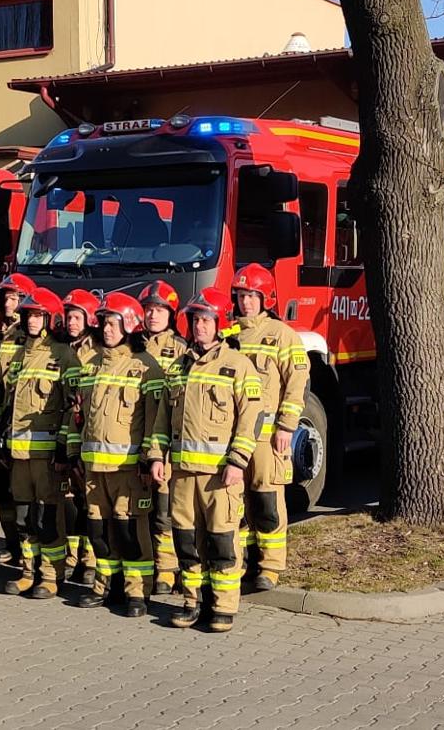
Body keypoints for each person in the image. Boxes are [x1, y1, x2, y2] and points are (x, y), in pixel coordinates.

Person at [154, 288, 263, 631]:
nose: (199, 326)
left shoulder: (238, 366)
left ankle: (223, 605)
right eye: (195, 320)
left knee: (222, 541)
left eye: (206, 320)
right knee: (186, 541)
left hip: (220, 475)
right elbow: (161, 418)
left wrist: (238, 460)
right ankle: (192, 601)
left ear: (220, 324)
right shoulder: (178, 368)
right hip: (183, 474)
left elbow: (252, 418)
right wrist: (157, 457)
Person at [62, 292, 169, 617]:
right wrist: (73, 453)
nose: (105, 329)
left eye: (112, 323)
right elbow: (77, 415)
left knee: (129, 531)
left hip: (127, 468)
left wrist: (150, 458)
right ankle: (104, 585)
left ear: (129, 325)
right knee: (98, 530)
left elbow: (155, 420)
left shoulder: (146, 368)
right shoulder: (91, 365)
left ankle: (138, 592)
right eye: (103, 323)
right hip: (94, 469)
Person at [0, 287, 84, 598]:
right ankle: (27, 570)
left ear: (51, 319)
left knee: (48, 517)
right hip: (19, 453)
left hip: (47, 456)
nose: (32, 321)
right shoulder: (21, 354)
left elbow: (72, 408)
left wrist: (64, 448)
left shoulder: (64, 356)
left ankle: (50, 575)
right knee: (24, 517)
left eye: (38, 315)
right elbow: (10, 402)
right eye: (28, 315)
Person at [230, 263, 310, 591]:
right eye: (241, 295)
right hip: (234, 439)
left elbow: (296, 382)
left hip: (266, 438)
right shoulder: (228, 335)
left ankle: (271, 567)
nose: (246, 302)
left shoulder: (282, 335)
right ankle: (246, 563)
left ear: (267, 298)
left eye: (252, 296)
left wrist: (287, 427)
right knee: (238, 505)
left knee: (267, 503)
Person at [133, 280, 189, 593]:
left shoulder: (182, 351)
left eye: (159, 310)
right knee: (142, 511)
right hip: (134, 441)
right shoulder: (131, 347)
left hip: (165, 444)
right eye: (149, 309)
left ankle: (167, 571)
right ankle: (145, 568)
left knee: (165, 514)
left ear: (171, 314)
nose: (153, 315)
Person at [0, 272, 38, 568]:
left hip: (18, 424)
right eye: (5, 298)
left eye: (15, 298)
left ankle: (27, 548)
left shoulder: (29, 340)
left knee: (22, 494)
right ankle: (11, 545)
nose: (9, 303)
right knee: (2, 491)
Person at [56, 288, 101, 586]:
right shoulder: (61, 350)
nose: (71, 322)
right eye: (68, 316)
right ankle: (73, 558)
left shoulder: (95, 355)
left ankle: (90, 561)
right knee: (71, 503)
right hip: (68, 437)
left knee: (90, 504)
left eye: (77, 317)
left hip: (89, 437)